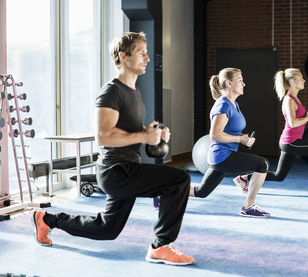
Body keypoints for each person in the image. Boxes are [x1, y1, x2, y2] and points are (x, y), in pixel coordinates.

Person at [31, 32, 195, 266]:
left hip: (127, 167)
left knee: (106, 229)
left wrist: (154, 132)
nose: (147, 58)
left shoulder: (134, 92)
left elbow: (126, 129)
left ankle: (46, 218)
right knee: (178, 180)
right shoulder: (111, 92)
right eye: (141, 52)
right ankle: (161, 246)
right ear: (123, 56)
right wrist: (142, 135)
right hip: (116, 171)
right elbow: (103, 135)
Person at [233, 68, 308, 198]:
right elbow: (292, 123)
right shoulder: (289, 100)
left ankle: (243, 179)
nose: (304, 80)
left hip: (290, 141)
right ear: (292, 81)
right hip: (291, 142)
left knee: (279, 176)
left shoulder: (295, 99)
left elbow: (297, 120)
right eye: (301, 77)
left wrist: (307, 118)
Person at [190, 68, 270, 218]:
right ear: (229, 83)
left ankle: (163, 192)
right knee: (262, 164)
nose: (244, 83)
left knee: (201, 192)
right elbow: (215, 135)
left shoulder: (233, 104)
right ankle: (248, 206)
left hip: (224, 155)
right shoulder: (223, 105)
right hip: (222, 156)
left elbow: (230, 130)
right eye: (240, 80)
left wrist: (244, 138)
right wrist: (241, 139)